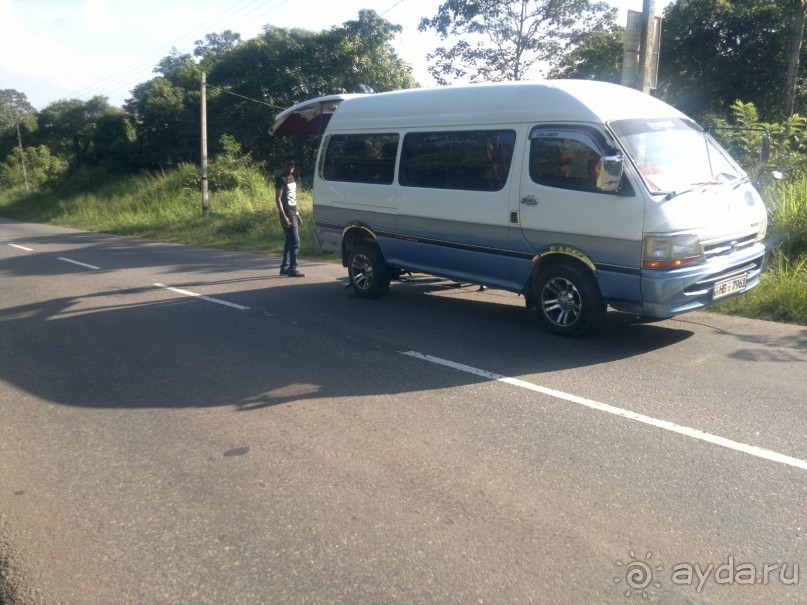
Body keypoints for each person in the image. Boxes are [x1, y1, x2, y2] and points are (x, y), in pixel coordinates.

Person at [275, 156, 305, 277]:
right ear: (284, 165)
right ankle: (293, 268)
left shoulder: (292, 178)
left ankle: (284, 267)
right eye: (288, 164)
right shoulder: (281, 179)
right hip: (287, 214)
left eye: (292, 165)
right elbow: (278, 199)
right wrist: (284, 216)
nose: (290, 167)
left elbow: (292, 199)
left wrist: (297, 214)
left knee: (290, 241)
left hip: (293, 213)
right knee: (296, 241)